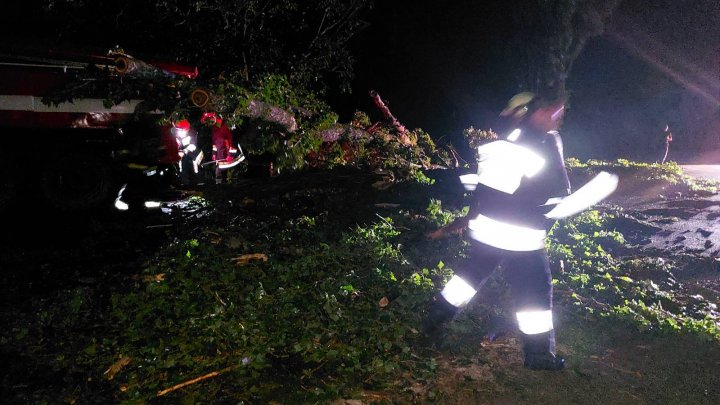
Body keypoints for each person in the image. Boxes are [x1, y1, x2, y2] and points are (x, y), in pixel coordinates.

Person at [424, 91, 571, 371]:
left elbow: (482, 188)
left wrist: (469, 218)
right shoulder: (545, 142)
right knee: (535, 293)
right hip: (521, 236)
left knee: (468, 277)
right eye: (552, 111)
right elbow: (556, 191)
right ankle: (538, 355)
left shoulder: (505, 140)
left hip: (487, 231)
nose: (557, 116)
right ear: (533, 112)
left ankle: (435, 316)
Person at [201, 112, 236, 184]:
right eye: (208, 122)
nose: (210, 123)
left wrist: (230, 155)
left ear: (214, 117)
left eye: (210, 120)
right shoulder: (214, 129)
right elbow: (215, 143)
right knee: (219, 174)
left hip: (228, 157)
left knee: (226, 175)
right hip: (220, 157)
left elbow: (233, 142)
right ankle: (220, 188)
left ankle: (226, 188)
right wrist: (214, 154)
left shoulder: (225, 127)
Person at [173, 119, 202, 186]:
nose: (178, 132)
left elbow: (193, 146)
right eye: (177, 130)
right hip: (184, 156)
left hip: (195, 154)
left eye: (180, 130)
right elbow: (178, 145)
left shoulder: (192, 134)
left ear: (185, 129)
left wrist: (185, 151)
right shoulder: (178, 136)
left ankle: (200, 183)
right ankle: (184, 183)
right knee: (182, 167)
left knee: (196, 168)